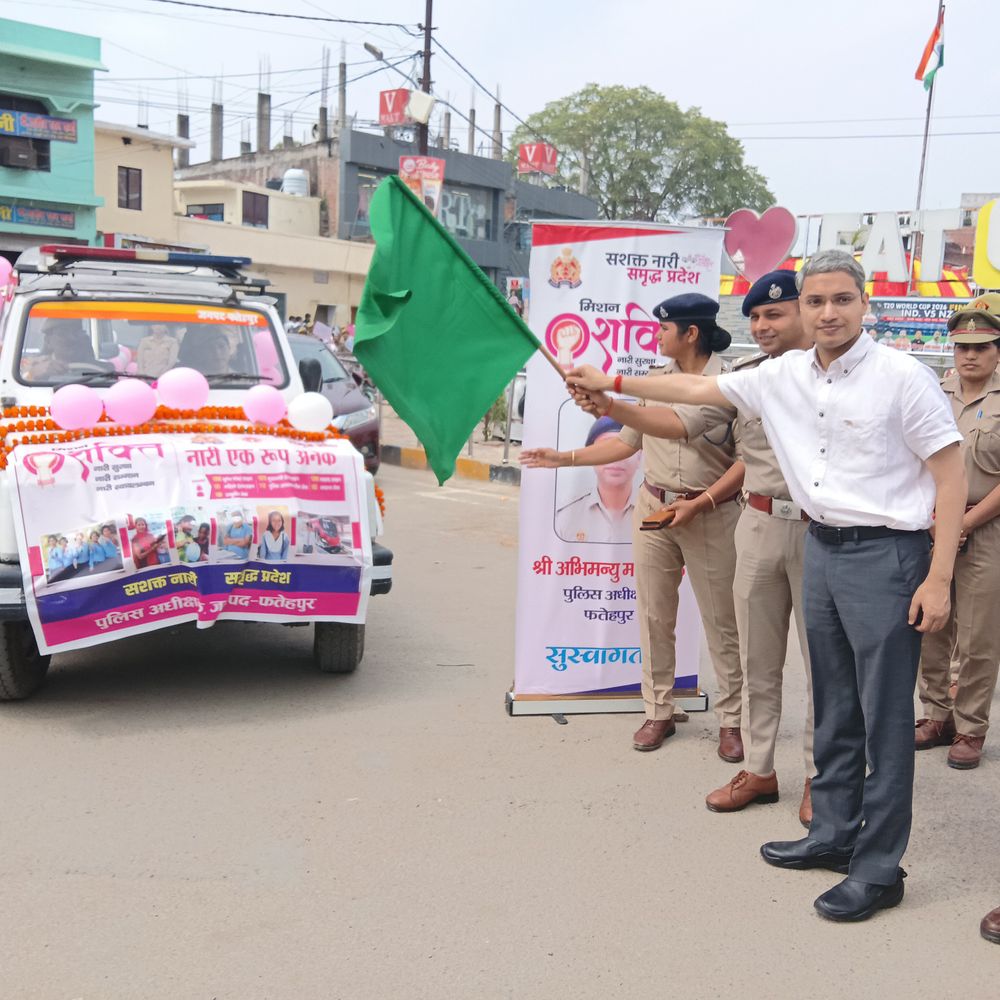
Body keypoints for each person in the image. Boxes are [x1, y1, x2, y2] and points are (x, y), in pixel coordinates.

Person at [567, 250, 966, 923]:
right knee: (835, 704)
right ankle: (833, 835)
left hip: (888, 556)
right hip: (824, 547)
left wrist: (939, 577)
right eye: (817, 301)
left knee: (884, 718)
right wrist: (611, 385)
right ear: (805, 309)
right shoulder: (782, 376)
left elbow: (950, 476)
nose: (829, 313)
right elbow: (696, 393)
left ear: (863, 304)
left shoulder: (902, 378)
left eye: (842, 300)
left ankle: (878, 867)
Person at [525, 292, 746, 761]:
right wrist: (564, 458)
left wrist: (704, 500)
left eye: (664, 329)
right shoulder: (654, 381)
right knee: (653, 616)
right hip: (654, 508)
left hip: (710, 511)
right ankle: (658, 710)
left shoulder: (730, 384)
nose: (656, 336)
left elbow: (735, 456)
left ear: (690, 333)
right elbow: (627, 443)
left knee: (721, 621)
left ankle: (731, 721)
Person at [694, 271, 817, 824]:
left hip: (825, 534)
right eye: (756, 317)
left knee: (826, 666)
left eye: (776, 314)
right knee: (757, 659)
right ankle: (761, 769)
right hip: (760, 524)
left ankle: (823, 777)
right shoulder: (747, 379)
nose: (763, 325)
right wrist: (611, 397)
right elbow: (683, 416)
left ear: (806, 313)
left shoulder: (844, 378)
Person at [916, 293, 1000, 770]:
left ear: (997, 350)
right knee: (931, 623)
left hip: (985, 528)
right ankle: (934, 713)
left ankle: (970, 726)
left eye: (982, 346)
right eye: (962, 345)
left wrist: (963, 523)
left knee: (978, 635)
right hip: (929, 524)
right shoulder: (935, 393)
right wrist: (936, 522)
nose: (970, 355)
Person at [553, 416, 640, 543]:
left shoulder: (653, 514)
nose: (616, 458)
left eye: (625, 450)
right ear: (590, 456)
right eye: (605, 448)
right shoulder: (566, 516)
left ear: (640, 456)